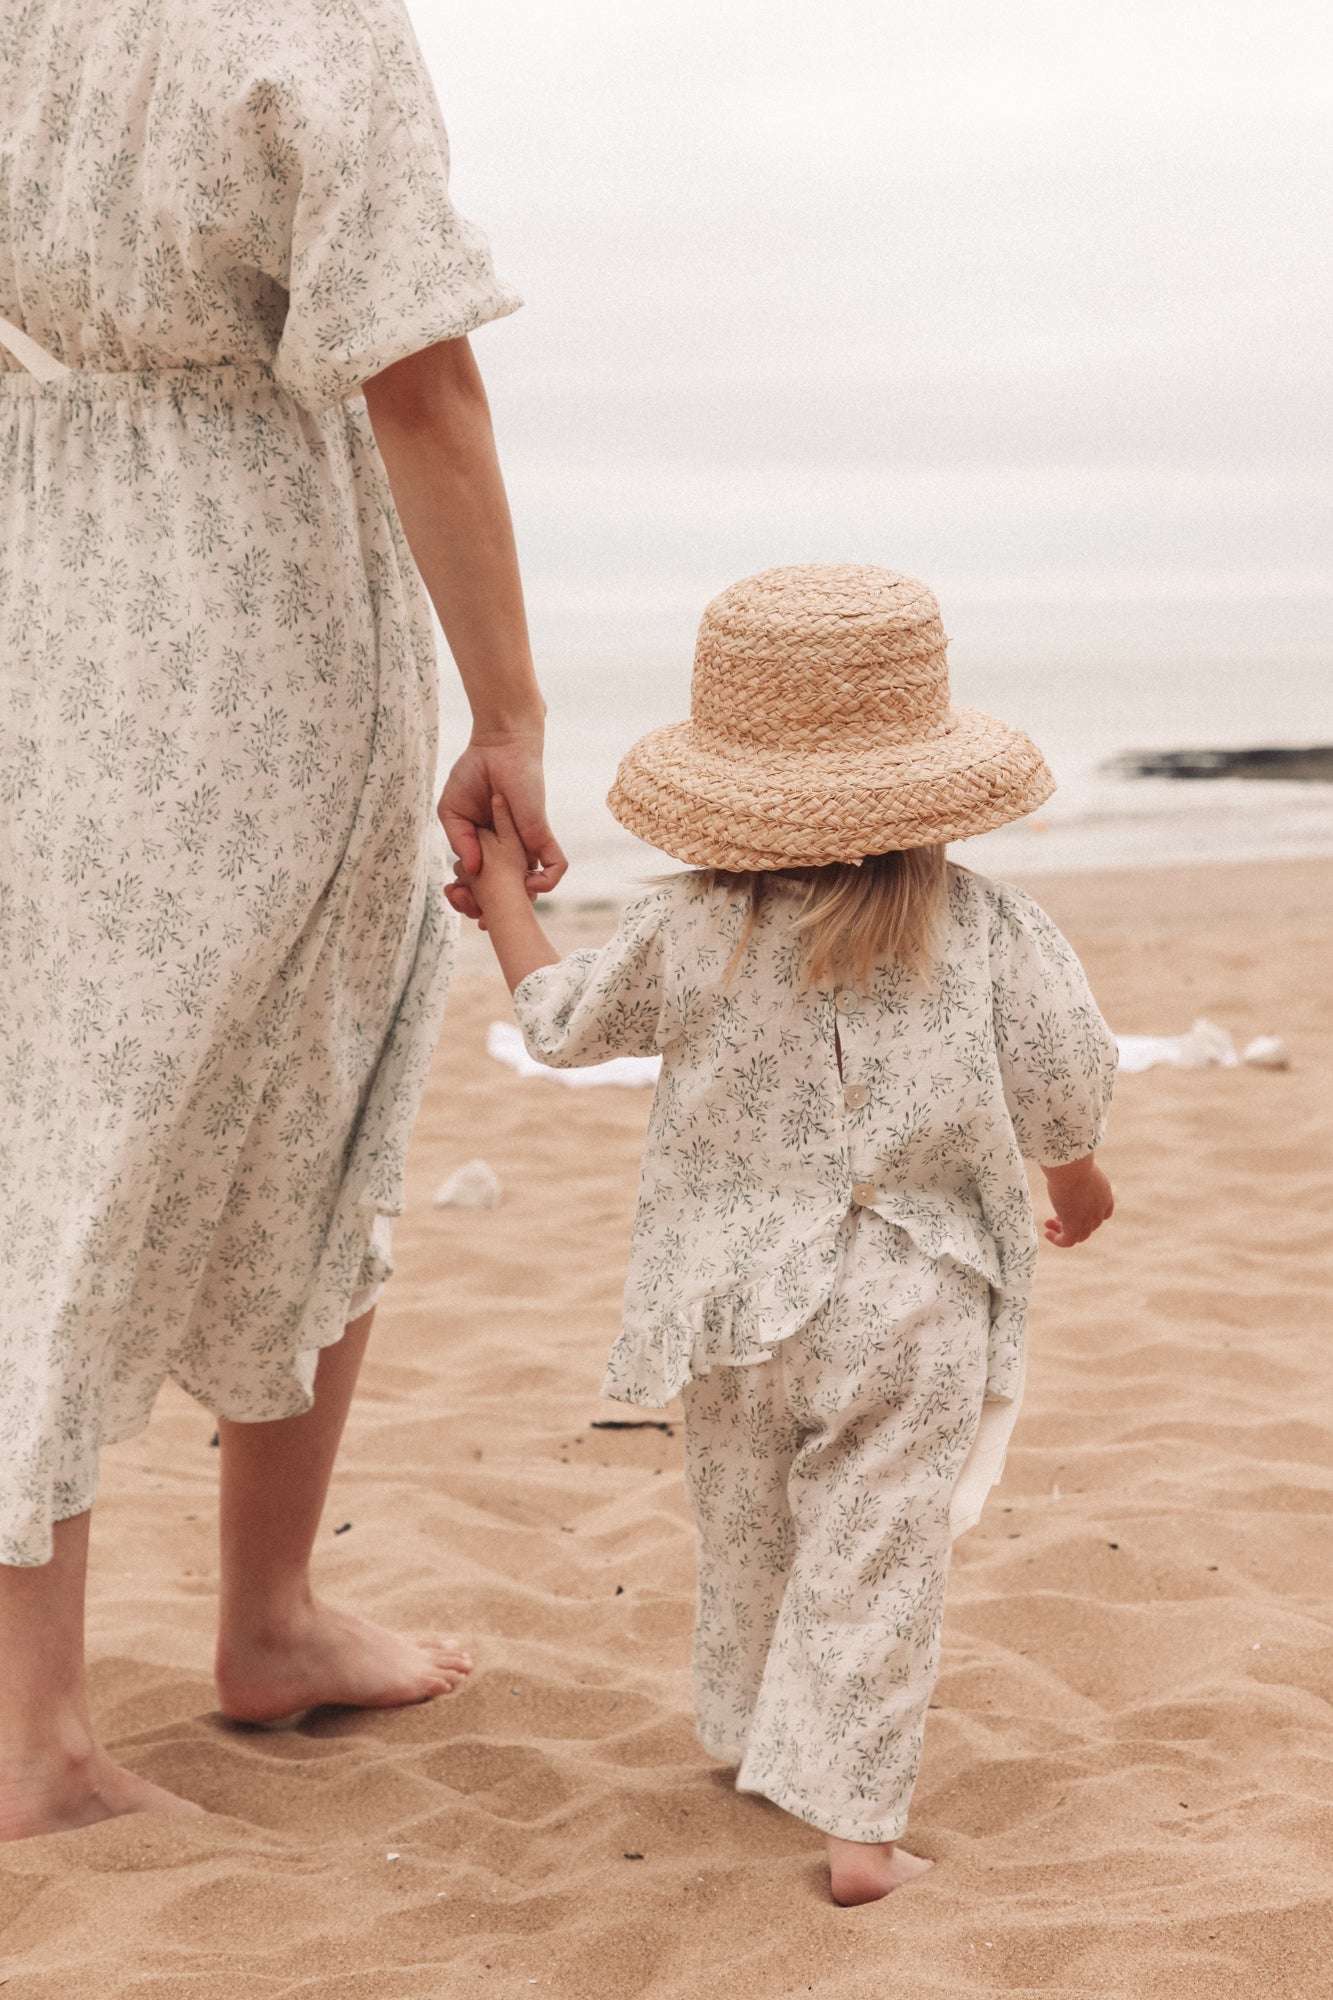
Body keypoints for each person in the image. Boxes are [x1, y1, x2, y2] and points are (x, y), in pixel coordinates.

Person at [0, 0, 564, 1840]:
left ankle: (233, 1636)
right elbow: (416, 379)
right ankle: (98, 1709)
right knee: (295, 1091)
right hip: (243, 583)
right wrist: (509, 715)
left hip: (39, 553)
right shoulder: (305, 14)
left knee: (53, 1112)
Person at [453, 564, 1117, 1905]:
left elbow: (560, 1026)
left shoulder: (687, 926)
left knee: (746, 1525)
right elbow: (1062, 1083)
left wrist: (505, 901)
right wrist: (1081, 1185)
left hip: (729, 1301)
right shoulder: (986, 923)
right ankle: (859, 1830)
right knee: (876, 1557)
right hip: (912, 1298)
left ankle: (755, 1738)